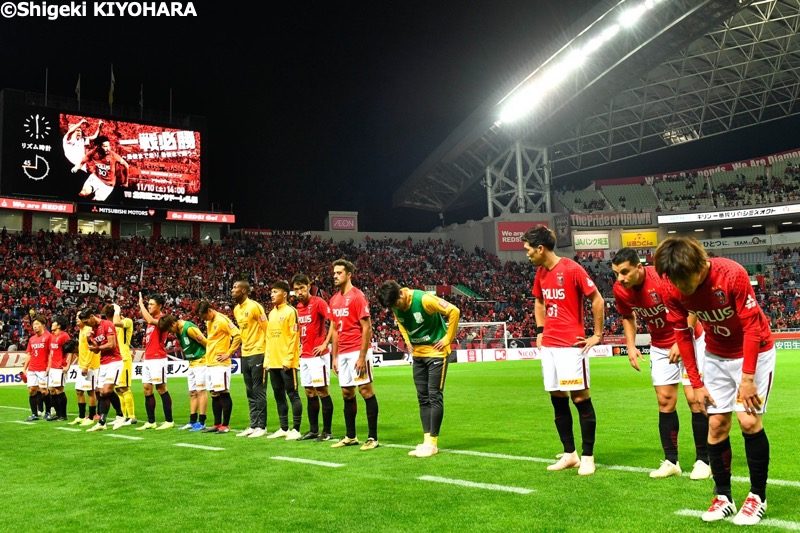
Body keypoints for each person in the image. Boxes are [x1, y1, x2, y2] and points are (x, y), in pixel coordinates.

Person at [655, 237, 775, 526]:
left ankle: (758, 496)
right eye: (675, 279)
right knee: (716, 424)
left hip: (755, 352)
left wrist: (747, 378)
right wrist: (696, 383)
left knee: (748, 421)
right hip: (716, 354)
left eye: (686, 279)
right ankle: (723, 496)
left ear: (699, 265)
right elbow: (682, 335)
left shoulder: (731, 274)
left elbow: (751, 328)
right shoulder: (671, 286)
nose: (681, 287)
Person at [611, 248, 711, 480]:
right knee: (665, 401)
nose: (620, 278)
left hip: (690, 340)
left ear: (639, 267)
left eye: (624, 272)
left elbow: (692, 306)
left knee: (695, 400)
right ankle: (671, 461)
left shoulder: (664, 278)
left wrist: (682, 339)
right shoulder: (620, 290)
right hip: (660, 345)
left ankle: (704, 461)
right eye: (616, 273)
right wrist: (631, 346)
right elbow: (628, 316)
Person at [523, 225, 604, 476]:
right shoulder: (540, 273)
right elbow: (538, 301)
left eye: (528, 249)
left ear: (540, 248)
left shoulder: (571, 269)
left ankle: (588, 456)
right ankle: (570, 454)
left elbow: (597, 299)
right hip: (549, 346)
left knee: (580, 399)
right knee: (557, 400)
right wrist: (539, 331)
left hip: (571, 346)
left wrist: (597, 334)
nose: (526, 254)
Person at [377, 280, 460, 458]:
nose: (395, 308)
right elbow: (400, 322)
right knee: (422, 398)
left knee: (434, 396)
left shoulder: (424, 299)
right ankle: (426, 441)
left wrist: (447, 339)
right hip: (418, 355)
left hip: (436, 354)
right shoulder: (395, 305)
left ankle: (433, 443)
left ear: (401, 294)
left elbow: (454, 311)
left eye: (395, 304)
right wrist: (407, 341)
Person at [327, 259, 380, 451]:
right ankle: (351, 436)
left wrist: (361, 356)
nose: (335, 275)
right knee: (347, 393)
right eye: (334, 273)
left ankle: (373, 437)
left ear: (349, 275)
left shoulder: (358, 296)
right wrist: (334, 357)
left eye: (339, 272)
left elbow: (367, 328)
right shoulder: (333, 299)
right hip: (342, 354)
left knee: (365, 391)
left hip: (357, 350)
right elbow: (334, 330)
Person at [292, 273, 335, 441]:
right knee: (309, 392)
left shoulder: (319, 303)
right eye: (296, 289)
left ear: (308, 286)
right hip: (305, 356)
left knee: (322, 391)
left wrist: (325, 343)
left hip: (318, 356)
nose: (299, 292)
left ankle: (327, 431)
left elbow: (333, 320)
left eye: (302, 288)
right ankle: (313, 430)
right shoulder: (298, 308)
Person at [265, 280, 302, 440]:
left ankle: (296, 429)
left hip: (287, 362)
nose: (272, 295)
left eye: (275, 292)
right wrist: (267, 359)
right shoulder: (271, 313)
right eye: (271, 292)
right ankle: (284, 427)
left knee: (292, 394)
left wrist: (288, 359)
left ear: (284, 294)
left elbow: (294, 337)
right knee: (278, 395)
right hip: (273, 362)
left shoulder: (290, 311)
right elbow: (268, 338)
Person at [158, 314, 208, 431]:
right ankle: (192, 421)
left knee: (201, 391)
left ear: (173, 324)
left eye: (169, 329)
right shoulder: (178, 330)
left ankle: (201, 422)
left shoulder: (189, 328)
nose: (170, 332)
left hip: (201, 361)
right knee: (192, 393)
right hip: (191, 362)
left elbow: (206, 342)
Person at [197, 300, 241, 434]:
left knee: (223, 393)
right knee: (214, 394)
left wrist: (228, 353)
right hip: (210, 362)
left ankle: (225, 425)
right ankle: (217, 424)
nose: (204, 320)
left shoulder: (222, 320)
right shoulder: (209, 321)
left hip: (220, 364)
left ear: (210, 311)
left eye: (205, 316)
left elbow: (237, 335)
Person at [232, 280, 268, 439]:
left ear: (244, 291)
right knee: (250, 391)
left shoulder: (254, 306)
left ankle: (262, 426)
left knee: (259, 390)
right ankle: (253, 424)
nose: (232, 290)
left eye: (235, 288)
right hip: (245, 354)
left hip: (258, 352)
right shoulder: (236, 310)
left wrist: (268, 353)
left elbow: (266, 328)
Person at [80, 308, 124, 432]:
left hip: (114, 361)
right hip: (103, 363)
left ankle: (113, 417)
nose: (87, 325)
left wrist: (97, 347)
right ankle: (109, 420)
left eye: (87, 322)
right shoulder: (92, 330)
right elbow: (96, 348)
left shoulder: (107, 324)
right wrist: (90, 340)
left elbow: (112, 344)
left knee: (106, 391)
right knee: (101, 392)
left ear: (92, 316)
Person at [137, 292, 175, 431]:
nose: (149, 306)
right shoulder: (151, 320)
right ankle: (151, 421)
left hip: (158, 359)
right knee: (147, 389)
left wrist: (140, 303)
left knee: (161, 388)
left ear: (159, 306)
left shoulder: (163, 318)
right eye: (148, 304)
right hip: (148, 358)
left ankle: (169, 420)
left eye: (152, 304)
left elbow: (148, 319)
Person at [105, 304, 137, 429]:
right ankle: (124, 416)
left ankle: (132, 417)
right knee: (118, 389)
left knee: (125, 388)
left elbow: (117, 322)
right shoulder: (112, 325)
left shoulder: (127, 321)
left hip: (124, 358)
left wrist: (117, 310)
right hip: (116, 359)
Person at [72, 135, 129, 202]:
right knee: (83, 193)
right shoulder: (93, 152)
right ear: (99, 146)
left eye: (108, 146)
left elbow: (126, 165)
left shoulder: (113, 156)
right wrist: (76, 167)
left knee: (95, 204)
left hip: (107, 185)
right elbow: (82, 162)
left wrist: (126, 181)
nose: (108, 148)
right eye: (105, 146)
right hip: (96, 178)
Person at [68, 313, 99, 426]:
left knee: (90, 392)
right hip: (82, 365)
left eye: (78, 318)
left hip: (90, 366)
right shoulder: (81, 330)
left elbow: (92, 349)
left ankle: (91, 417)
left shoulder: (88, 330)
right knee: (79, 391)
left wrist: (86, 365)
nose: (76, 320)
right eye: (75, 317)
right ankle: (81, 416)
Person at [22, 315, 51, 421]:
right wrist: (25, 368)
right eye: (33, 324)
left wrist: (49, 366)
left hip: (43, 368)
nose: (34, 326)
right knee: (32, 390)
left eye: (37, 324)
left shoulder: (48, 337)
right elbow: (29, 354)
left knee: (44, 391)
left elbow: (51, 353)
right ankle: (34, 414)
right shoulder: (32, 339)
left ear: (43, 325)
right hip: (32, 368)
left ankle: (48, 412)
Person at [46, 315, 71, 421]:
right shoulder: (52, 336)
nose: (52, 324)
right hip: (52, 367)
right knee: (51, 390)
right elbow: (51, 353)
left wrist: (67, 365)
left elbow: (69, 351)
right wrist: (48, 366)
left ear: (59, 325)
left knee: (59, 389)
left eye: (54, 322)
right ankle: (57, 413)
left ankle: (63, 415)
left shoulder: (65, 336)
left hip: (60, 367)